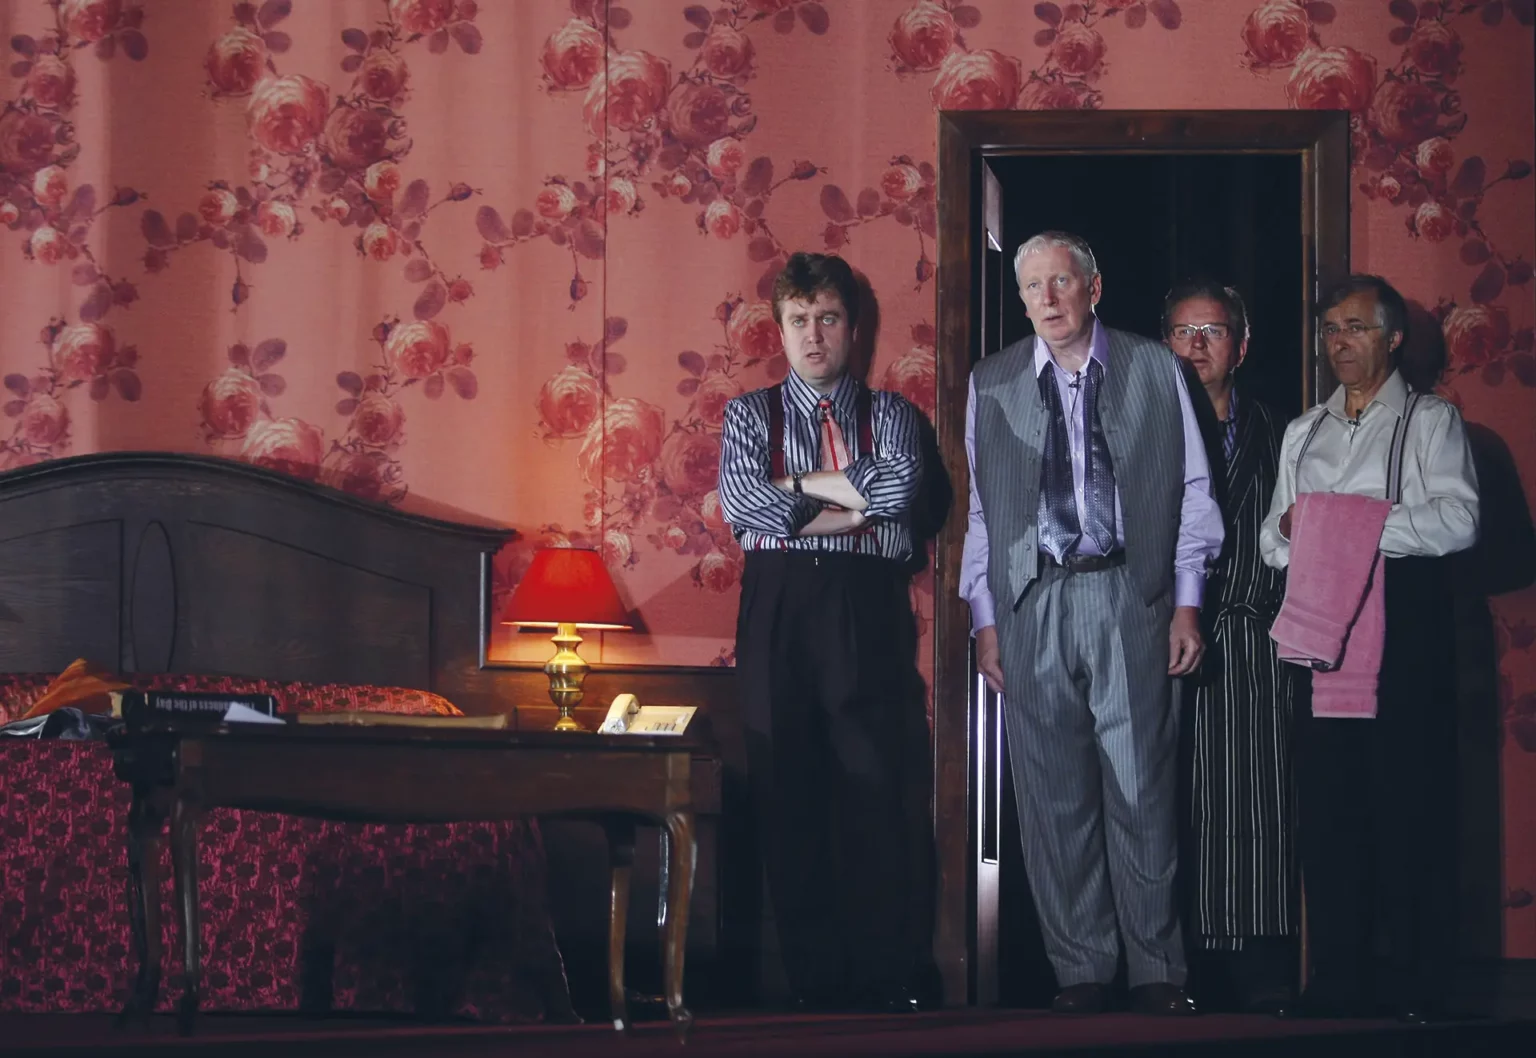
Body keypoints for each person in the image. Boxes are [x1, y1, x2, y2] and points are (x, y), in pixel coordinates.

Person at [960, 231, 1224, 1016]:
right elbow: (983, 510)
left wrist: (1186, 601)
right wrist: (985, 619)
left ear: (1093, 288)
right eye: (1031, 287)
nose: (1046, 299)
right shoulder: (992, 380)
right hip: (1032, 600)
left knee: (1142, 788)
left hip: (1129, 594)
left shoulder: (1154, 368)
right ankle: (1081, 968)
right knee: (1053, 795)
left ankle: (1157, 970)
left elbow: (1195, 490)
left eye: (1061, 282)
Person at [1260, 275, 1479, 1022]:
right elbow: (1273, 541)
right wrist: (1310, 530)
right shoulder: (1303, 432)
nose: (1338, 342)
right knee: (1330, 810)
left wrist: (1340, 525)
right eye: (1329, 329)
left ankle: (1414, 982)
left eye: (1354, 327)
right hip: (1320, 633)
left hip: (1405, 626)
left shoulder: (1430, 421)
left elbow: (1458, 522)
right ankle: (1337, 978)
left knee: (1408, 803)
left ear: (1393, 338)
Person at [717, 251, 926, 1013]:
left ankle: (882, 973)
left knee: (872, 783)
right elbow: (743, 505)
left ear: (853, 328)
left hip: (864, 604)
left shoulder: (894, 415)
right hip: (777, 602)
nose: (814, 335)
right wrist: (851, 505)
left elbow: (899, 491)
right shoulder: (749, 414)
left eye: (828, 318)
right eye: (799, 320)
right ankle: (812, 982)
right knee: (787, 786)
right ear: (780, 329)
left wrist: (796, 492)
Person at [1164, 280, 1300, 1014]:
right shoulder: (1141, 428)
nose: (1196, 345)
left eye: (1212, 331)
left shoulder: (1284, 432)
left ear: (1241, 347)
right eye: (1183, 332)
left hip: (1254, 638)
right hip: (1161, 641)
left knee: (1256, 800)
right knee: (1168, 802)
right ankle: (1179, 968)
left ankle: (1259, 965)